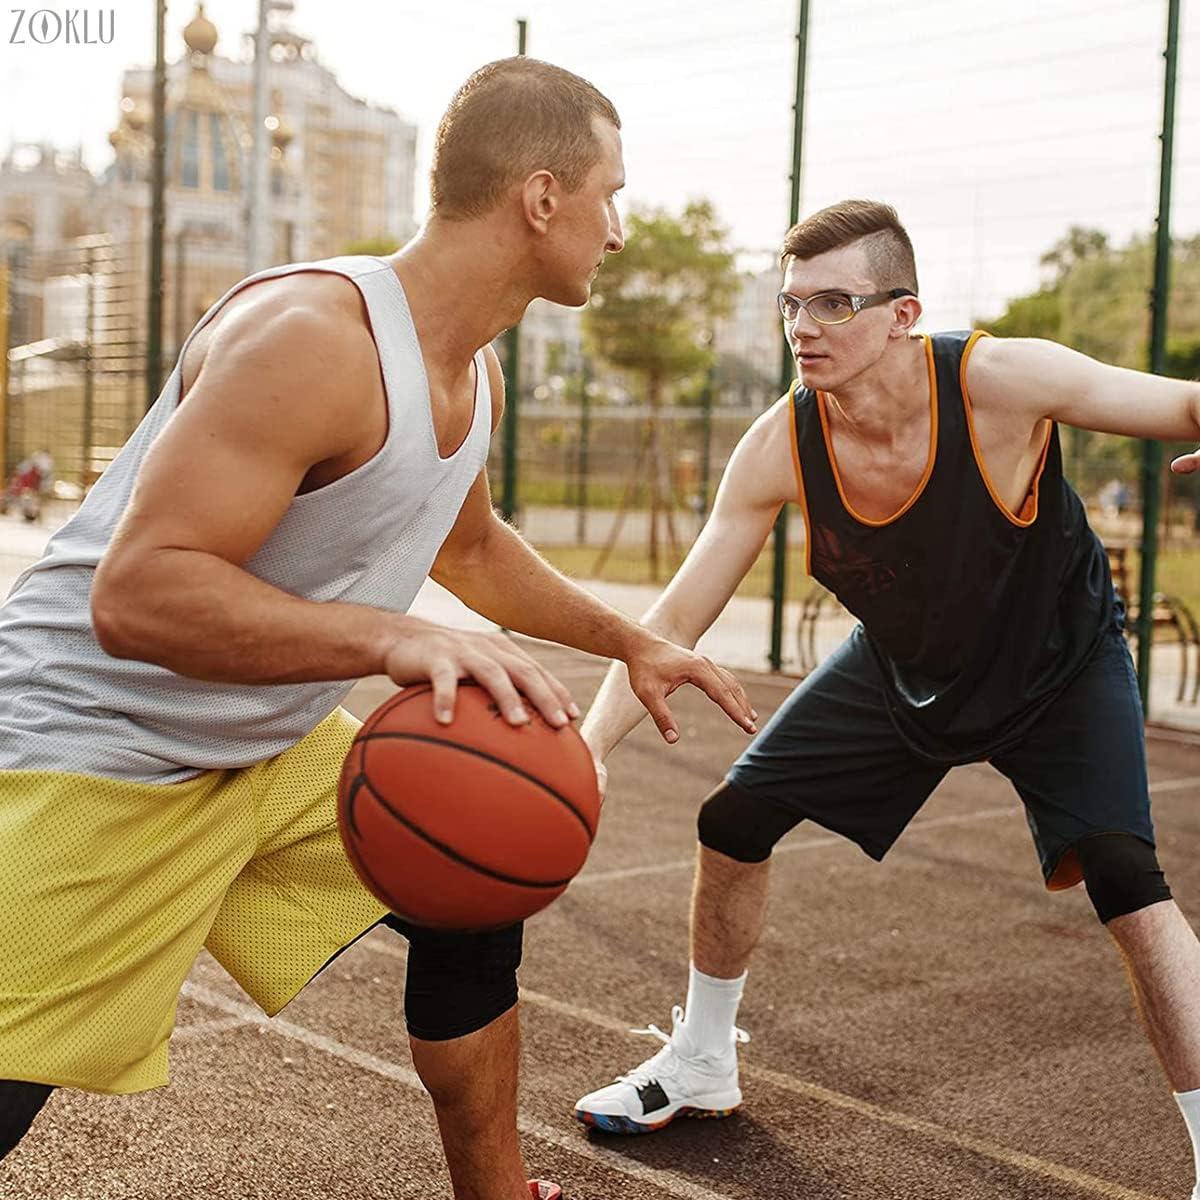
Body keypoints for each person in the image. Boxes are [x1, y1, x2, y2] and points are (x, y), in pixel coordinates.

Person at [0, 57, 756, 1200]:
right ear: (542, 197)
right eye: (611, 193)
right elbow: (138, 593)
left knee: (476, 881)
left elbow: (470, 552)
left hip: (256, 744)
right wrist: (389, 639)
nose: (618, 230)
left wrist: (631, 639)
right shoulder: (319, 338)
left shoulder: (470, 371)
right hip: (91, 749)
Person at [573, 198, 1200, 1197]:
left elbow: (1187, 404)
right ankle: (701, 1059)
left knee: (1127, 877)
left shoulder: (998, 379)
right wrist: (589, 744)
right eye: (791, 305)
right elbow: (670, 619)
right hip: (905, 667)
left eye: (835, 302)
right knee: (734, 817)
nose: (805, 327)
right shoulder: (781, 445)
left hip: (1059, 663)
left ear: (904, 314)